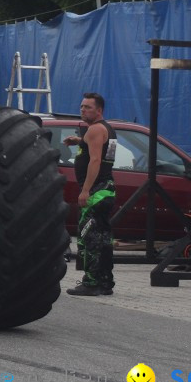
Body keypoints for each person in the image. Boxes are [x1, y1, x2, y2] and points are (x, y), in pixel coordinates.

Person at [63, 92, 117, 296]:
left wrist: (85, 190)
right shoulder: (107, 129)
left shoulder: (95, 130)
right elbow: (102, 152)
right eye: (82, 107)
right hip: (107, 190)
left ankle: (91, 283)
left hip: (96, 192)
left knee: (88, 237)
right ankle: (105, 281)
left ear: (99, 110)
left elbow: (95, 161)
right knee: (104, 238)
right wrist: (80, 141)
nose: (83, 110)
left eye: (88, 107)